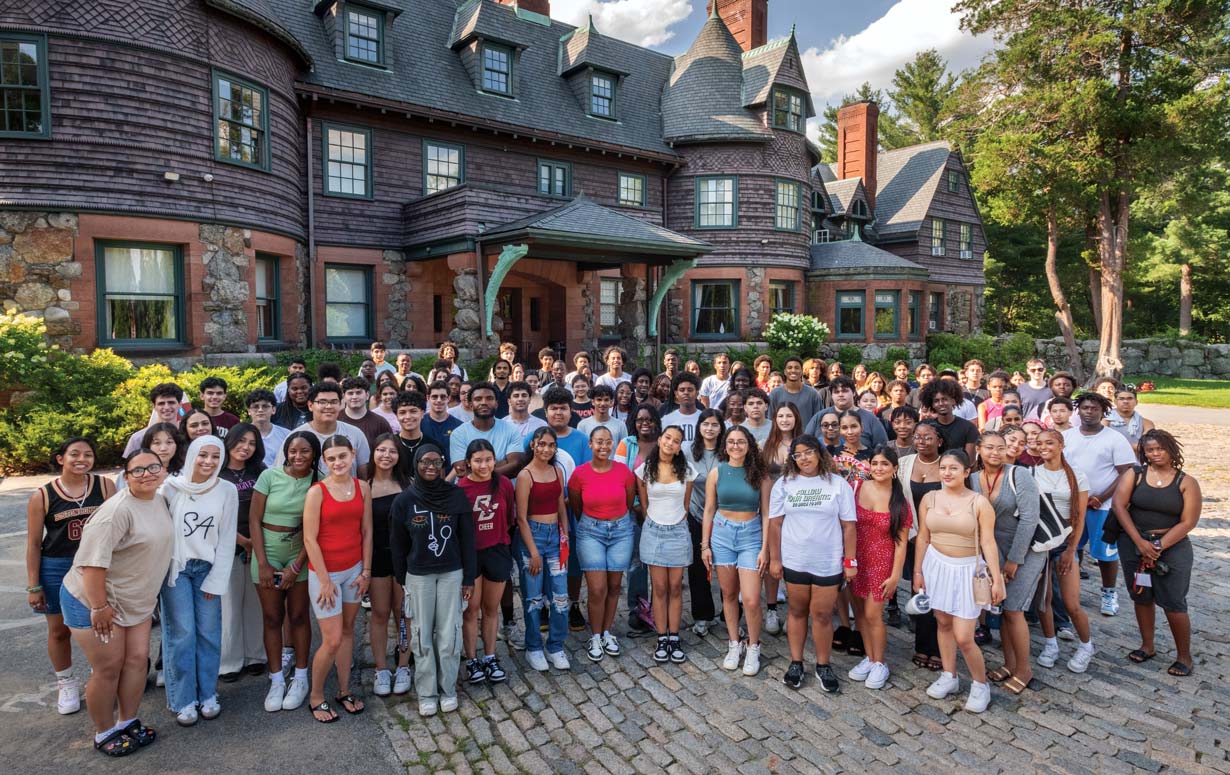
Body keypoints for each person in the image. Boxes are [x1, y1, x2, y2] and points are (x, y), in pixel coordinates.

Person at [61, 449, 173, 757]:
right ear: (126, 478)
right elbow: (92, 565)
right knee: (109, 668)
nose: (147, 473)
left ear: (163, 471)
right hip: (94, 599)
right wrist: (99, 606)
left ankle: (128, 720)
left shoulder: (159, 500)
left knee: (137, 661)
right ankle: (104, 731)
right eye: (138, 470)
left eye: (153, 467)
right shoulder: (116, 511)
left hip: (135, 601)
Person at [25, 437, 115, 715]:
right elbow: (32, 543)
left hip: (95, 564)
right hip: (57, 565)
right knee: (59, 630)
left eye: (88, 454)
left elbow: (117, 528)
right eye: (74, 454)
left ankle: (98, 678)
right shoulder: (42, 495)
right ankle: (65, 682)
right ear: (60, 458)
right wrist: (33, 585)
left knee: (99, 626)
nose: (82, 459)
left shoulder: (105, 486)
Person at [914, 450, 1004, 714]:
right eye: (943, 468)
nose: (947, 473)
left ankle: (980, 684)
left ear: (967, 472)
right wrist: (918, 571)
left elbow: (988, 541)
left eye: (954, 468)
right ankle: (949, 675)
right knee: (942, 622)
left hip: (967, 569)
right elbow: (922, 536)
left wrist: (996, 579)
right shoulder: (929, 498)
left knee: (965, 636)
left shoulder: (978, 503)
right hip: (936, 565)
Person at [390, 444, 476, 716]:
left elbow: (467, 539)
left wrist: (469, 578)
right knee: (421, 635)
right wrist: (403, 578)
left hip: (452, 572)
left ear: (443, 465)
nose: (431, 467)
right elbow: (397, 543)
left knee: (449, 634)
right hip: (419, 575)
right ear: (415, 464)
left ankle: (447, 688)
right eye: (425, 462)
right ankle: (426, 692)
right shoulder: (404, 501)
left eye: (437, 462)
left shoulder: (456, 496)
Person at [768, 435, 856, 692]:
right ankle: (796, 662)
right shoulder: (784, 484)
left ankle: (823, 664)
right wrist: (776, 559)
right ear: (792, 459)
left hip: (828, 561)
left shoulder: (838, 484)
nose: (804, 458)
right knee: (796, 611)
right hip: (795, 559)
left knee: (822, 614)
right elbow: (775, 523)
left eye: (809, 452)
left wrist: (850, 561)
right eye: (798, 454)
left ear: (819, 453)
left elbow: (848, 526)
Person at [159, 436, 237, 726]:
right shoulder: (171, 488)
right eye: (203, 455)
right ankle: (183, 699)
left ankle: (207, 694)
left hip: (207, 569)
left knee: (208, 633)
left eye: (215, 457)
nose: (209, 462)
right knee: (182, 634)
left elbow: (227, 539)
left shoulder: (226, 490)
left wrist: (216, 581)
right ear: (192, 455)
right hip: (176, 570)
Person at [1112, 429, 1200, 677]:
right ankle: (1147, 645)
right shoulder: (1135, 474)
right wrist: (1140, 542)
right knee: (1141, 595)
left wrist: (1158, 547)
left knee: (1173, 602)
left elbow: (1188, 522)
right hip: (1134, 543)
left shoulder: (1186, 482)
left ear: (1171, 450)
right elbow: (1119, 506)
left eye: (1160, 448)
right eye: (1149, 450)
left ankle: (1184, 656)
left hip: (1172, 546)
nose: (1155, 453)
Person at [302, 435, 372, 723]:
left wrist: (366, 571)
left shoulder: (362, 487)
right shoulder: (317, 492)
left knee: (347, 633)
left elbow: (367, 532)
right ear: (324, 461)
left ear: (352, 454)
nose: (338, 462)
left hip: (354, 571)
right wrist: (325, 579)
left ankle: (344, 690)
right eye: (331, 458)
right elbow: (309, 537)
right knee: (330, 640)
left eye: (342, 456)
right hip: (325, 574)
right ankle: (316, 696)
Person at [969, 431, 1044, 694]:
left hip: (1025, 550)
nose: (995, 453)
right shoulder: (972, 479)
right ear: (978, 449)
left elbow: (1029, 520)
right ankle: (1010, 663)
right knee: (999, 608)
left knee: (1014, 609)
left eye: (1001, 448)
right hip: (994, 550)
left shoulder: (1019, 475)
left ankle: (1024, 669)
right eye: (989, 447)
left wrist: (1014, 560)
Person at [250, 432, 318, 713]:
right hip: (267, 548)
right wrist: (263, 562)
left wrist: (296, 565)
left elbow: (315, 529)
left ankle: (300, 677)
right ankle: (277, 678)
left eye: (304, 451)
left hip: (299, 550)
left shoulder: (319, 482)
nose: (298, 456)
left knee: (299, 616)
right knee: (271, 617)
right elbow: (254, 519)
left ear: (314, 454)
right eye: (292, 451)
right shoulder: (269, 476)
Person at [701, 426, 771, 677]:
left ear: (749, 445)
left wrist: (765, 548)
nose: (735, 446)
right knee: (729, 594)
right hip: (722, 535)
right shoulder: (716, 473)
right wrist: (705, 545)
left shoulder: (760, 475)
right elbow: (709, 509)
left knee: (751, 598)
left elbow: (767, 515)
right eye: (731, 442)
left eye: (741, 442)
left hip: (751, 536)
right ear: (725, 445)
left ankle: (753, 645)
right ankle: (734, 642)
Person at [570, 426, 637, 662]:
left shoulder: (624, 472)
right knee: (597, 588)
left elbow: (629, 501)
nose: (604, 447)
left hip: (621, 531)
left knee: (615, 584)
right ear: (590, 444)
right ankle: (595, 635)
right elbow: (576, 506)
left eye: (608, 442)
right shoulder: (579, 474)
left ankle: (608, 632)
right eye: (599, 442)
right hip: (590, 531)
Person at [1064, 393, 1135, 616]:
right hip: (1073, 503)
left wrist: (1102, 497)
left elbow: (1126, 472)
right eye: (1085, 408)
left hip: (1102, 506)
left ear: (1103, 411)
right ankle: (1072, 593)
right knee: (1071, 548)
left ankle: (1108, 592)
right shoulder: (1067, 436)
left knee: (1104, 553)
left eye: (1094, 408)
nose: (1089, 412)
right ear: (1078, 410)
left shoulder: (1114, 438)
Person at [1032, 429, 1095, 673]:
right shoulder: (1032, 473)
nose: (1044, 447)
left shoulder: (1076, 476)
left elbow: (1079, 517)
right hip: (1040, 543)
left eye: (1049, 442)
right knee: (1044, 599)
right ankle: (1050, 643)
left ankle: (1087, 645)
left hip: (1065, 543)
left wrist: (1072, 550)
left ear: (1061, 444)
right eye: (1039, 443)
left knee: (1071, 602)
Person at [848, 446, 912, 691]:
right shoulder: (859, 488)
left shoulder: (899, 502)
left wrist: (895, 576)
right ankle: (870, 656)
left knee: (874, 614)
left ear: (894, 469)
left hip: (882, 563)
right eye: (875, 463)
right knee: (862, 614)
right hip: (859, 559)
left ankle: (880, 662)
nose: (879, 468)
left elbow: (901, 544)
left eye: (885, 464)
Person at [636, 426, 696, 663]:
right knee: (659, 588)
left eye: (677, 440)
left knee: (675, 587)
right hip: (654, 531)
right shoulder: (645, 469)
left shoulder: (687, 470)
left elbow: (686, 502)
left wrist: (678, 519)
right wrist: (653, 519)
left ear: (681, 446)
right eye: (668, 438)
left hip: (678, 531)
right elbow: (644, 502)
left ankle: (674, 636)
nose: (671, 443)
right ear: (660, 440)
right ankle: (661, 637)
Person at [457, 440, 515, 686]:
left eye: (488, 459)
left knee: (491, 609)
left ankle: (490, 656)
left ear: (495, 460)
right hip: (470, 555)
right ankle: (472, 659)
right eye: (478, 460)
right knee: (471, 610)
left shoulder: (502, 484)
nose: (484, 465)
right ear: (468, 462)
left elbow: (510, 515)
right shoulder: (461, 488)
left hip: (497, 550)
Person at [515, 428, 572, 669]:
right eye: (541, 444)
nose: (546, 449)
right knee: (533, 598)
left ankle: (556, 645)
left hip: (555, 538)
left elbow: (561, 506)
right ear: (533, 446)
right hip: (534, 538)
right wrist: (533, 552)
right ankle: (534, 646)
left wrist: (565, 536)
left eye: (551, 445)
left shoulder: (557, 471)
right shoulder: (525, 475)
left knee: (560, 597)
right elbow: (521, 518)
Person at [217, 424, 267, 683]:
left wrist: (254, 543)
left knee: (255, 603)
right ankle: (229, 661)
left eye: (251, 443)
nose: (245, 447)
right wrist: (243, 542)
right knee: (230, 604)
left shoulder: (260, 470)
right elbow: (214, 515)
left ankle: (255, 656)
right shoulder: (216, 472)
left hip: (258, 544)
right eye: (241, 441)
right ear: (229, 441)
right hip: (228, 546)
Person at [366, 434, 413, 698]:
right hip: (377, 557)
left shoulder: (408, 485)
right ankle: (381, 668)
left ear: (399, 456)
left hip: (405, 558)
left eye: (392, 451)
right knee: (380, 613)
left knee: (403, 612)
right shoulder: (365, 486)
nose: (386, 455)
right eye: (381, 450)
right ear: (373, 454)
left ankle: (404, 665)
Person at [897, 422, 943, 669]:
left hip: (943, 540)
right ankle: (921, 646)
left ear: (939, 440)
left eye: (928, 437)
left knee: (941, 595)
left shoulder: (948, 463)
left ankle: (939, 648)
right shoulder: (905, 464)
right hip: (915, 538)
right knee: (920, 591)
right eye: (918, 437)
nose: (922, 441)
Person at [277, 382, 371, 478]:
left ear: (341, 404)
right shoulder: (296, 438)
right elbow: (280, 474)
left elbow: (364, 476)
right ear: (310, 405)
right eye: (322, 402)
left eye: (334, 402)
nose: (329, 406)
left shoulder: (355, 434)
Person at [449, 382, 526, 478]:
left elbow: (516, 465)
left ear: (496, 403)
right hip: (469, 491)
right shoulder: (458, 434)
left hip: (503, 489)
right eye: (478, 399)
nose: (484, 402)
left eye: (489, 398)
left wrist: (475, 468)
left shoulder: (511, 430)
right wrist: (504, 462)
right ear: (470, 404)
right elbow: (462, 471)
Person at [804, 377, 889, 449]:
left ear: (854, 393)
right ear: (831, 395)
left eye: (845, 391)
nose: (840, 394)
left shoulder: (870, 419)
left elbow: (882, 449)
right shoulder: (820, 416)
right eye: (836, 392)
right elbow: (805, 444)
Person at [919, 379, 979, 462]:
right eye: (936, 401)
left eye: (944, 399)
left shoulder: (969, 428)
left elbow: (970, 461)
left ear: (953, 401)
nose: (941, 403)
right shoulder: (927, 427)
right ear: (932, 404)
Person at [122, 383, 186, 456]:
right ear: (154, 406)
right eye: (161, 403)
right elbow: (130, 465)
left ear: (180, 404)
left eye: (171, 402)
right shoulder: (138, 438)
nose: (167, 407)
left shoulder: (187, 435)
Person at [340, 377, 397, 449]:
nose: (354, 397)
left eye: (358, 392)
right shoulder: (335, 420)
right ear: (344, 397)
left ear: (367, 395)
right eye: (350, 393)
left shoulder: (380, 423)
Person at [769, 356, 823, 426]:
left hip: (806, 436)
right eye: (790, 368)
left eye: (797, 368)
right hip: (781, 436)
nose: (793, 370)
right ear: (785, 372)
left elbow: (819, 421)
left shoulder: (813, 394)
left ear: (802, 371)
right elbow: (770, 420)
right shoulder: (775, 394)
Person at [245, 389, 290, 468]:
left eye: (265, 406)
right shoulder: (241, 435)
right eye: (256, 406)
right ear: (249, 411)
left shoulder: (286, 434)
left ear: (273, 410)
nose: (260, 410)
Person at [391, 390, 431, 478]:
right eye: (402, 412)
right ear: (396, 416)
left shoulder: (433, 445)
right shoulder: (390, 445)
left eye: (413, 411)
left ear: (423, 413)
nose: (408, 417)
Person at [1107, 386, 1155, 451]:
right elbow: (1103, 444)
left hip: (1136, 460)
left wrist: (1116, 447)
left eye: (1130, 398)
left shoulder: (1147, 423)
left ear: (1136, 402)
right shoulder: (1105, 420)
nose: (1125, 401)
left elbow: (1146, 445)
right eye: (1121, 399)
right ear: (1115, 402)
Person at [833, 410, 874, 484]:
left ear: (861, 427)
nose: (850, 432)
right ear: (839, 430)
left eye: (854, 426)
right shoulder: (832, 454)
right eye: (844, 428)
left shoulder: (873, 455)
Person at [661, 372, 702, 442]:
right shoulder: (666, 420)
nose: (686, 393)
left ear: (697, 393)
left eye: (690, 390)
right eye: (682, 390)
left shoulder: (704, 419)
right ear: (676, 394)